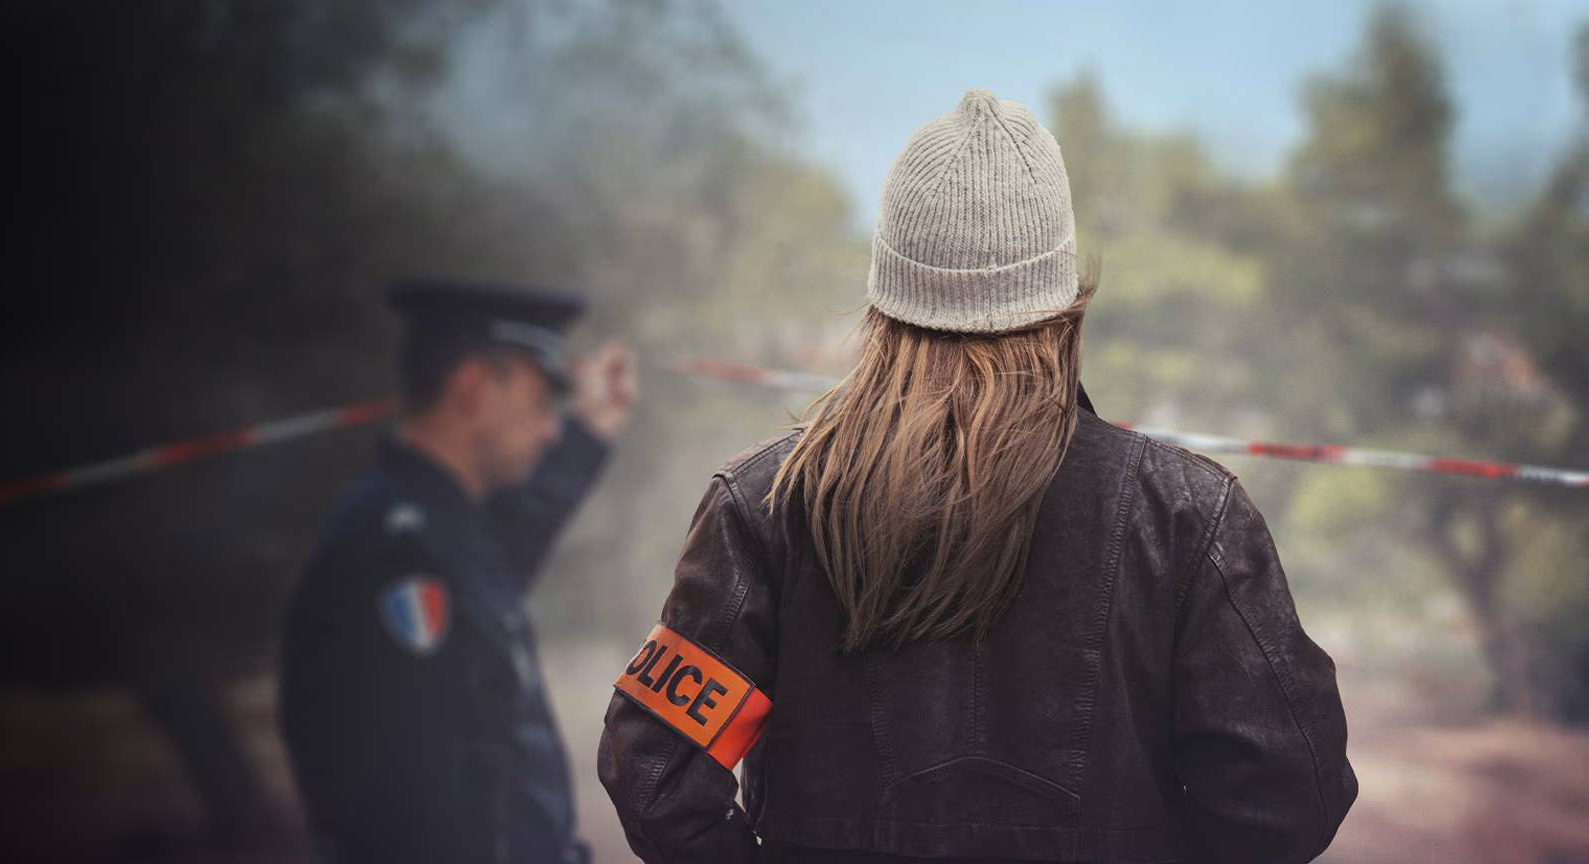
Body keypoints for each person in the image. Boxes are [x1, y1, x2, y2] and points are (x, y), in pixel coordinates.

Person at [597, 88, 1356, 863]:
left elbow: (654, 774)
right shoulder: (1189, 516)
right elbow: (1289, 799)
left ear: (884, 300)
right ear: (1065, 303)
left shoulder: (764, 505)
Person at [281, 278, 639, 863]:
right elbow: (428, 811)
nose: (552, 427)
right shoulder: (399, 557)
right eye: (540, 402)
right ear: (472, 387)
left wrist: (593, 428)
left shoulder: (445, 524)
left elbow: (524, 523)